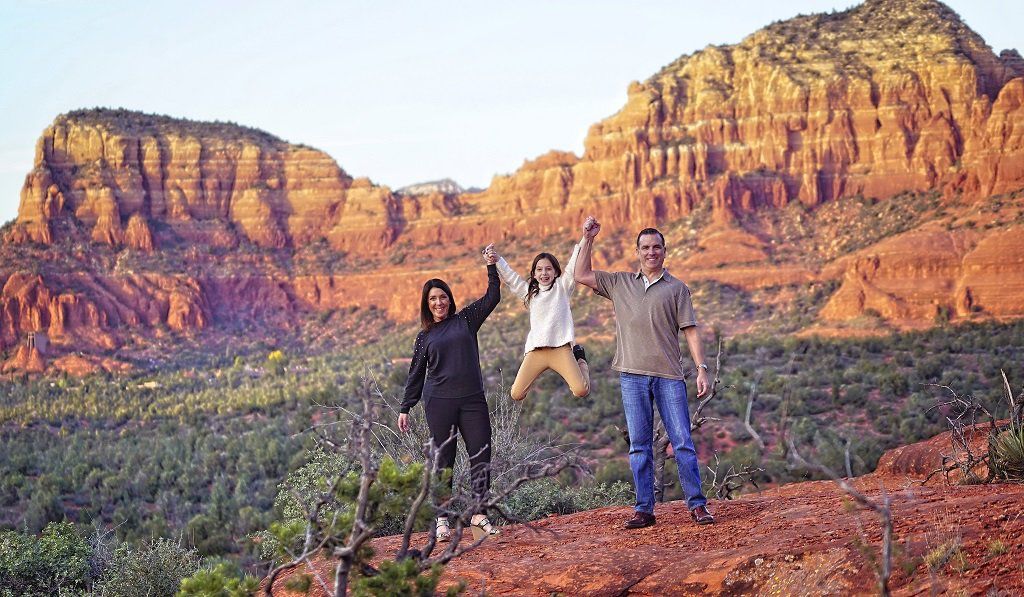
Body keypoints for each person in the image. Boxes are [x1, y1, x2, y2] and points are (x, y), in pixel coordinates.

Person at [574, 216, 715, 527]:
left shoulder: (677, 289)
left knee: (682, 442)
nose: (651, 252)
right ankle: (644, 510)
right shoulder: (620, 283)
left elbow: (690, 331)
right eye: (645, 247)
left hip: (669, 377)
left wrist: (702, 369)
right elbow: (580, 273)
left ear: (664, 251)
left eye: (656, 247)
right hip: (632, 376)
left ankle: (697, 505)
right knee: (639, 445)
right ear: (637, 252)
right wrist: (588, 238)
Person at [399, 244, 502, 541]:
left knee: (481, 452)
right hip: (438, 402)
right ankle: (441, 518)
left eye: (442, 296)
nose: (439, 302)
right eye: (433, 299)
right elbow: (416, 373)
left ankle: (479, 513)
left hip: (472, 399)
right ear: (426, 304)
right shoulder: (425, 337)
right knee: (444, 459)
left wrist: (491, 266)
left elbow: (492, 297)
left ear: (450, 299)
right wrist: (405, 407)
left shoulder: (466, 320)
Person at [490, 235, 591, 402]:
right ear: (534, 274)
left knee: (581, 391)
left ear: (556, 272)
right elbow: (512, 278)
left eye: (548, 269)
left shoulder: (562, 287)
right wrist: (498, 259)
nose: (544, 273)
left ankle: (580, 360)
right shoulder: (530, 293)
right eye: (539, 269)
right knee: (516, 394)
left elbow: (573, 266)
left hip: (561, 349)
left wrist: (585, 238)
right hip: (536, 352)